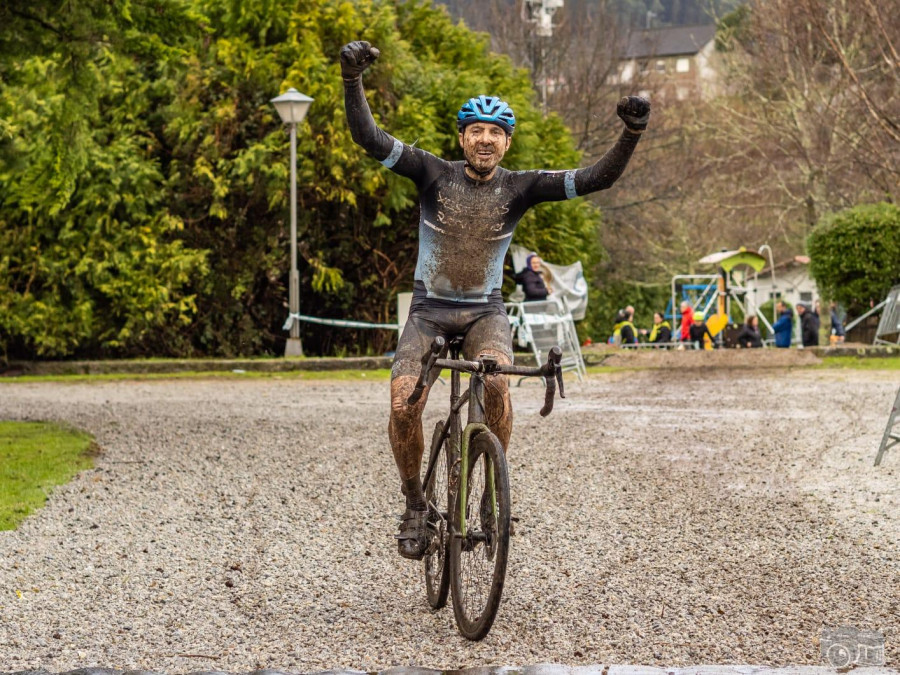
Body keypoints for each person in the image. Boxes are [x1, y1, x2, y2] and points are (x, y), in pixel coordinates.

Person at [341, 41, 650, 559]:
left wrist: (631, 132)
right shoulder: (430, 173)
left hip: (485, 311)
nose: (485, 140)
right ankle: (415, 502)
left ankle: (490, 498)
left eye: (496, 133)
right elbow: (369, 138)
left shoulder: (521, 188)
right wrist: (352, 79)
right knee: (401, 404)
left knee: (499, 386)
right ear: (462, 137)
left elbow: (598, 178)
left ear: (507, 143)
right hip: (429, 311)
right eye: (476, 131)